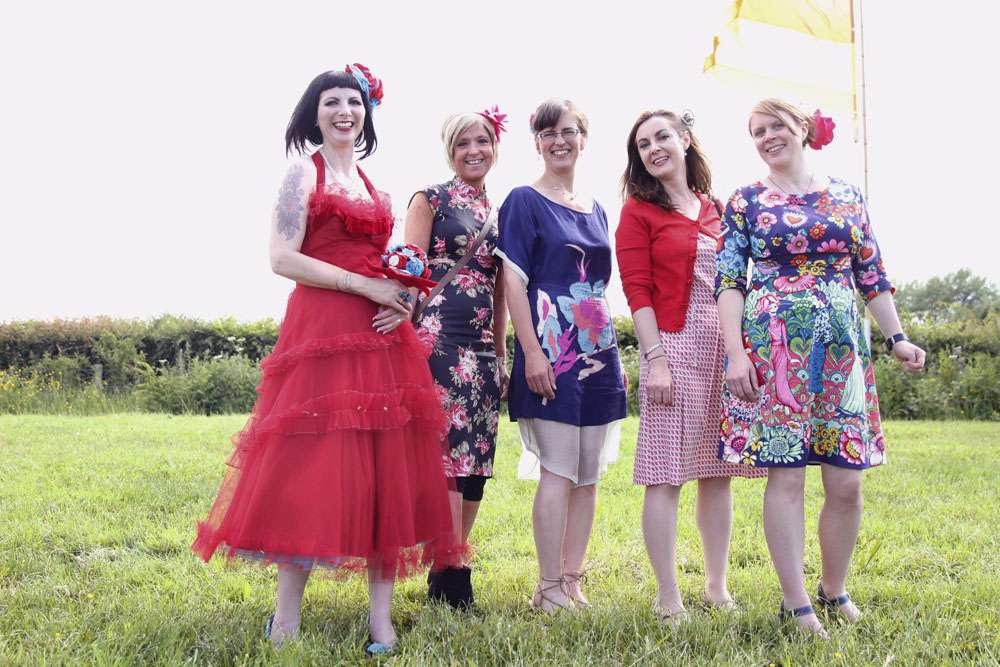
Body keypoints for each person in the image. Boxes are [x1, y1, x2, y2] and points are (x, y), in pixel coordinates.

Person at [191, 65, 457, 655]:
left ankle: (381, 621)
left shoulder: (371, 184)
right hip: (321, 331)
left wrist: (400, 294)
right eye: (332, 101)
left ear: (367, 114)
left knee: (386, 467)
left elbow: (381, 262)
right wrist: (363, 286)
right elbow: (281, 257)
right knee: (311, 466)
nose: (345, 111)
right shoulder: (301, 172)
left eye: (354, 102)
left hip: (380, 337)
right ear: (314, 112)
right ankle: (285, 618)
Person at [715, 98, 926, 638]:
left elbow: (871, 275)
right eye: (756, 131)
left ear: (801, 130)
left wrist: (898, 338)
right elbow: (729, 281)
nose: (767, 137)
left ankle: (835, 590)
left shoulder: (847, 196)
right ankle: (796, 603)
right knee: (786, 475)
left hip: (841, 352)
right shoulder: (745, 200)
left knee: (846, 482)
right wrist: (736, 353)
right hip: (776, 353)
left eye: (776, 126)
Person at [616, 109, 767, 625]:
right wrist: (655, 359)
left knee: (718, 474)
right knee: (665, 475)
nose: (654, 148)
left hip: (722, 349)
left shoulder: (715, 208)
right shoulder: (638, 212)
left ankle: (717, 587)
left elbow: (736, 283)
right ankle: (667, 597)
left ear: (684, 140)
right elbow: (636, 290)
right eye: (643, 144)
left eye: (662, 136)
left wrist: (741, 350)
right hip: (673, 348)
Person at [496, 99, 627, 612]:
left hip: (598, 347)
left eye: (568, 131)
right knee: (558, 468)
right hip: (550, 348)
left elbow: (600, 282)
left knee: (589, 473)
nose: (559, 141)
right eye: (548, 133)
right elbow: (513, 281)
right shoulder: (523, 201)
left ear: (583, 139)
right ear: (537, 142)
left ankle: (572, 581)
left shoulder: (596, 208)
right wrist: (530, 352)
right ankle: (547, 586)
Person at [403, 107, 509, 608]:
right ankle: (453, 571)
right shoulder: (430, 199)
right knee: (447, 452)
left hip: (482, 347)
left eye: (482, 141)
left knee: (476, 457)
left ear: (494, 147)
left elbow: (502, 289)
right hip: (437, 340)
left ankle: (449, 562)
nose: (474, 151)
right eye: (463, 143)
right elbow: (409, 271)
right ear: (450, 150)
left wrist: (502, 353)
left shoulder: (500, 212)